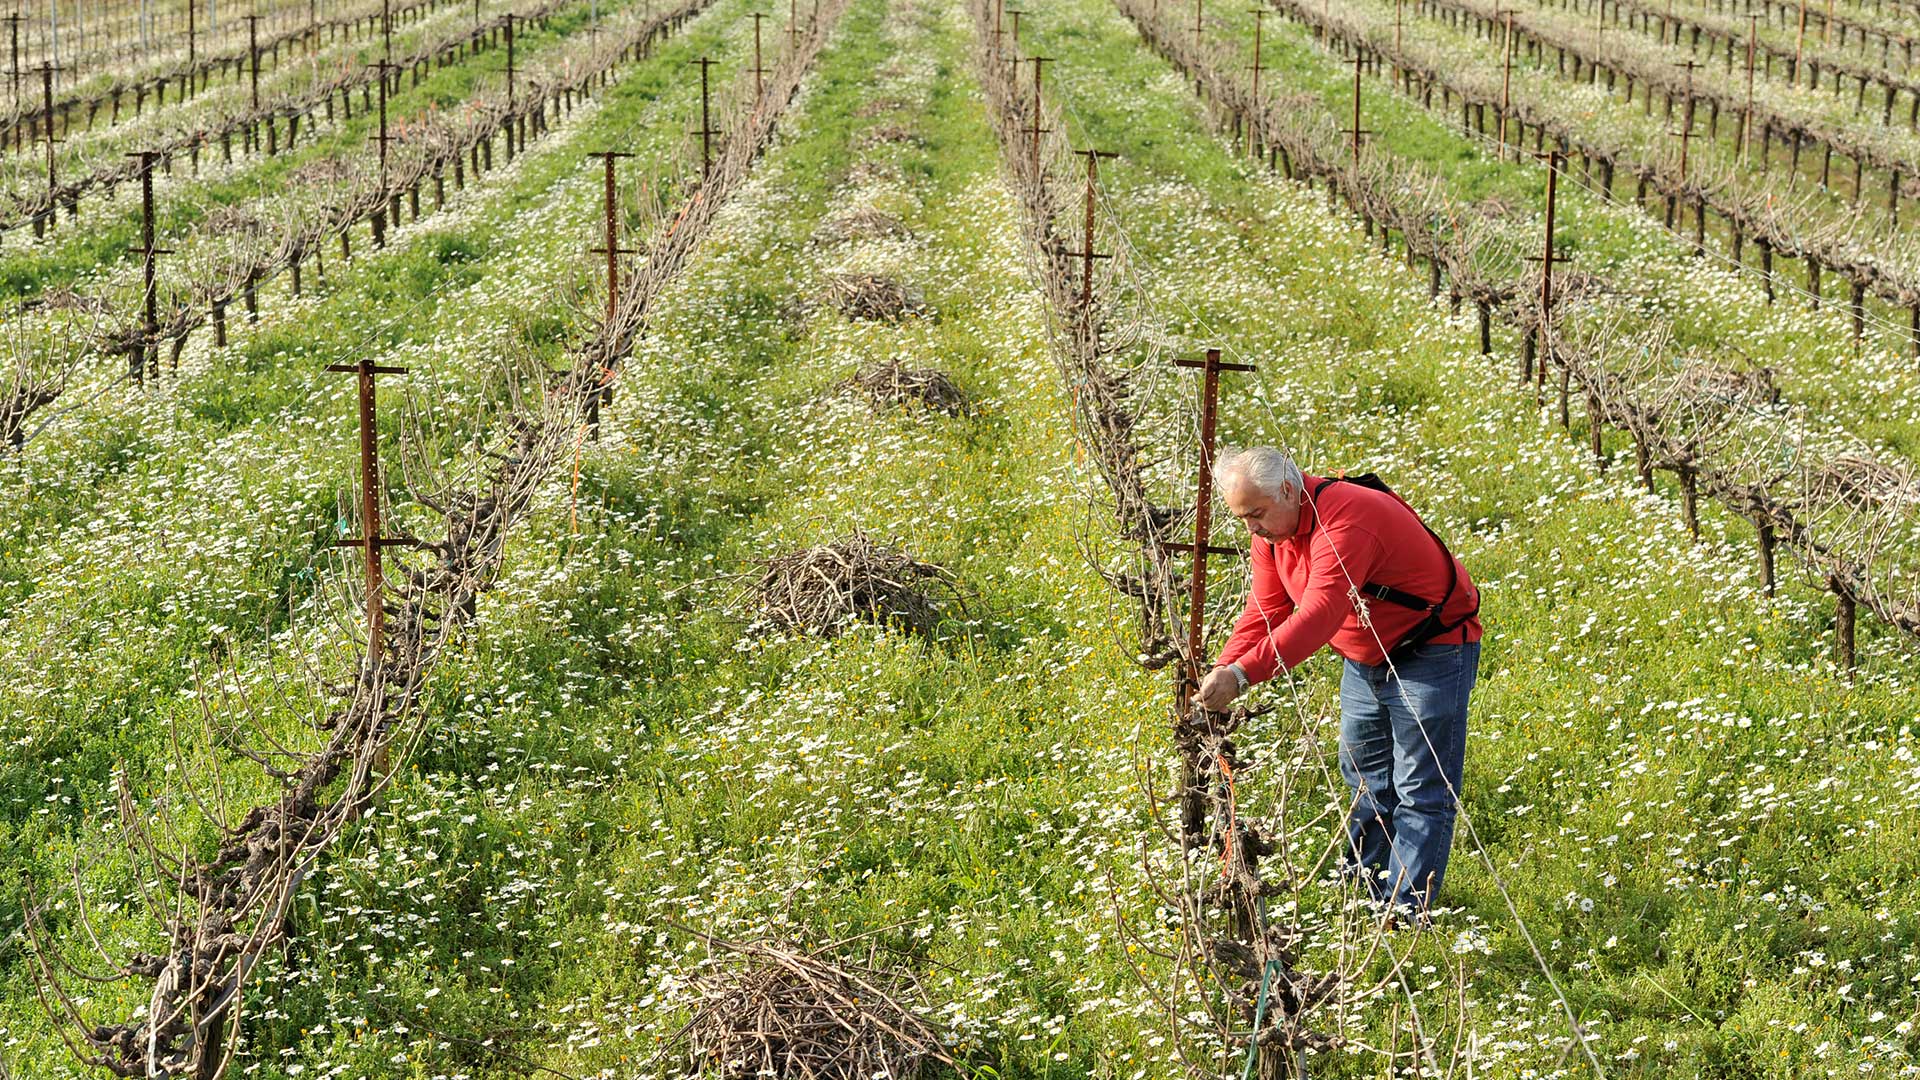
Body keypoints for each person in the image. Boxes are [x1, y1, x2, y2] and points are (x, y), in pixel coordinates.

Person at [1195, 447, 1482, 917]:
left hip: (1432, 650)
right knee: (1366, 779)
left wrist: (1243, 676)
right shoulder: (1273, 532)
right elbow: (1266, 609)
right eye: (1242, 518)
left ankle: (1404, 914)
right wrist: (1225, 666)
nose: (1251, 529)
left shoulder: (1346, 519)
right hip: (1365, 657)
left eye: (1256, 515)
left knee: (1420, 789)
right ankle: (1362, 888)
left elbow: (1318, 615)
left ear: (1288, 490)